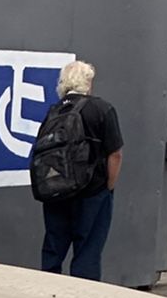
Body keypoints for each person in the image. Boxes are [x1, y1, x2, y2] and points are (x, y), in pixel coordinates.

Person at [33, 59, 123, 281]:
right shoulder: (103, 109)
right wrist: (108, 187)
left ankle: (48, 293)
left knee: (54, 246)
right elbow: (115, 154)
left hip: (56, 192)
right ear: (88, 83)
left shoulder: (54, 111)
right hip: (92, 192)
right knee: (88, 251)